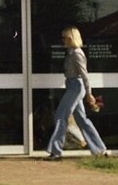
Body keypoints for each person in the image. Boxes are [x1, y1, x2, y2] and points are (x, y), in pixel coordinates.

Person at [45, 26, 108, 160]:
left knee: (61, 116)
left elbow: (84, 75)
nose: (62, 40)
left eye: (64, 38)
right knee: (81, 120)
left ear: (70, 38)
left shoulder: (77, 53)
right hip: (72, 85)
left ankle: (55, 151)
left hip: (76, 87)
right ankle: (99, 149)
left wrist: (89, 93)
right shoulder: (71, 52)